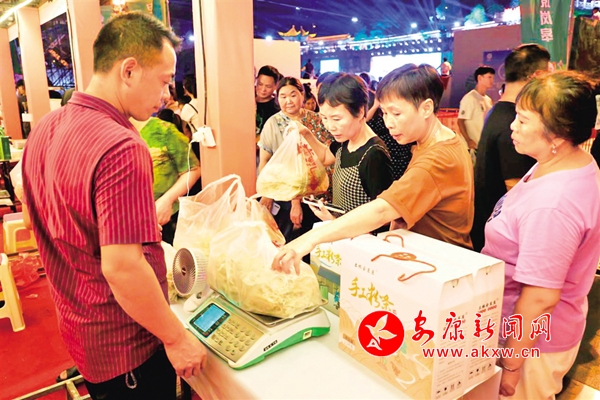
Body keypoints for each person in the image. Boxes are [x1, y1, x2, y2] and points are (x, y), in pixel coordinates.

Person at [21, 12, 207, 399]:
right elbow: (122, 267)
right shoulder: (121, 144)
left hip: (80, 328)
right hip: (126, 346)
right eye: (164, 81)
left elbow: (32, 216)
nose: (166, 95)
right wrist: (175, 339)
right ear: (129, 70)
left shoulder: (46, 128)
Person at [273, 64, 474, 274]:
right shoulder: (441, 139)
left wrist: (310, 239)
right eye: (384, 112)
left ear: (426, 108)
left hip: (439, 266)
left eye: (396, 113)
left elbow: (381, 210)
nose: (388, 123)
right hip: (424, 258)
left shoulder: (436, 159)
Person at [482, 70, 600, 399]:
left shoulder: (554, 205)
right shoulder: (566, 161)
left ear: (557, 136)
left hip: (532, 345)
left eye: (523, 120)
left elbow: (540, 298)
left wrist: (511, 365)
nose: (512, 127)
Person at [471, 44, 551, 251]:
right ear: (538, 76)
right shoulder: (515, 123)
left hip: (489, 230)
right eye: (549, 74)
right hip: (504, 242)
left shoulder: (498, 110)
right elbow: (515, 189)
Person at [298, 73, 393, 223]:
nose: (330, 127)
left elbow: (383, 219)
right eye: (324, 118)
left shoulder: (374, 154)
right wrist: (305, 133)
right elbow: (325, 157)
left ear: (360, 112)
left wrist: (332, 221)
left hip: (358, 237)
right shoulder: (345, 141)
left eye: (336, 119)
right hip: (339, 231)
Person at [258, 76, 333, 242]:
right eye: (283, 96)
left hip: (318, 192)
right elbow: (264, 161)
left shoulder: (316, 120)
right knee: (290, 240)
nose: (288, 101)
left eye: (293, 95)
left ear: (302, 95)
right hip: (285, 193)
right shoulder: (273, 123)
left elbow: (327, 154)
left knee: (318, 240)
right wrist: (266, 192)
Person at [131, 116, 201, 245]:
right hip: (127, 225)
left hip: (166, 221)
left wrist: (167, 200)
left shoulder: (163, 130)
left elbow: (193, 169)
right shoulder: (106, 134)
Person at [458, 66, 495, 151]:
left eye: (493, 77)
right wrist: (468, 140)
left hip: (483, 146)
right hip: (471, 148)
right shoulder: (470, 98)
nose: (492, 80)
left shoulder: (488, 100)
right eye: (489, 77)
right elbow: (460, 121)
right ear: (480, 78)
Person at [255, 65, 282, 138]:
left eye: (268, 86)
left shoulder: (276, 109)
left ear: (275, 86)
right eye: (260, 84)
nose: (263, 89)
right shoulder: (248, 101)